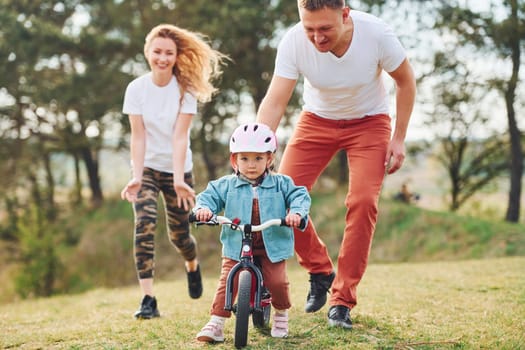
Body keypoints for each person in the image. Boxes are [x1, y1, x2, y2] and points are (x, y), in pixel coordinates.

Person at [256, 0, 416, 329]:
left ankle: (342, 300)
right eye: (309, 28)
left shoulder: (377, 35)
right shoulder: (293, 41)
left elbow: (405, 81)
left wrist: (398, 138)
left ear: (345, 15)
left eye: (325, 28)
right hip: (317, 120)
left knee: (362, 202)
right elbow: (275, 100)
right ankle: (319, 269)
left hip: (369, 123)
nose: (316, 38)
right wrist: (257, 148)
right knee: (278, 195)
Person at [121, 23, 227, 319]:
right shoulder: (136, 89)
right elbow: (138, 136)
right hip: (146, 169)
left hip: (178, 171)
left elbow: (180, 137)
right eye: (157, 52)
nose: (163, 58)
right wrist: (136, 176)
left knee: (179, 235)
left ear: (177, 55)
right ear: (148, 52)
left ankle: (191, 264)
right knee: (144, 225)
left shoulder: (185, 91)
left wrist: (179, 180)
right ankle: (148, 300)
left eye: (169, 53)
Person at [193, 123, 311, 342]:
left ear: (270, 159)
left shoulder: (280, 183)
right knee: (229, 279)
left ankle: (281, 315)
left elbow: (299, 196)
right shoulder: (227, 185)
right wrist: (204, 210)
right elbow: (209, 197)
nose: (251, 165)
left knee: (277, 281)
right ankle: (216, 323)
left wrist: (296, 213)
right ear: (234, 160)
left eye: (258, 158)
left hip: (271, 245)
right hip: (237, 245)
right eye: (244, 158)